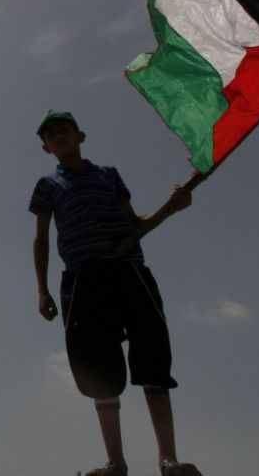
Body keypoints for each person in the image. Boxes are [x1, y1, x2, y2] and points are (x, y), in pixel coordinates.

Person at [29, 110, 202, 476]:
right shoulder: (47, 186)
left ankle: (167, 459)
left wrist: (171, 209)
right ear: (45, 147)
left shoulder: (108, 176)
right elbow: (42, 239)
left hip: (129, 272)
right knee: (99, 370)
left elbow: (136, 226)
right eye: (51, 134)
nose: (59, 136)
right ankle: (116, 462)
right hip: (83, 279)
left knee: (153, 360)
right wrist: (42, 289)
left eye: (65, 130)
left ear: (81, 135)